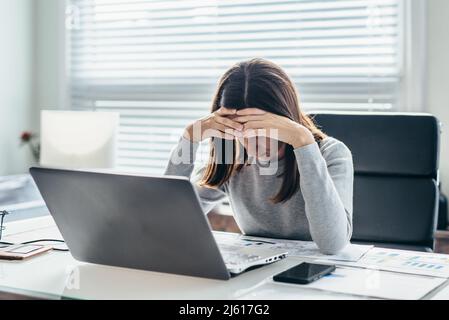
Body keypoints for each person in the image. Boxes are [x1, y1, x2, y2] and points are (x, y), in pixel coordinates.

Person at [165, 58, 354, 254]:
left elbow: (332, 244)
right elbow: (168, 222)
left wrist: (302, 140)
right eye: (241, 130)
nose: (253, 144)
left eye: (262, 129)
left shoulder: (332, 153)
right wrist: (189, 138)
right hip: (257, 275)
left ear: (285, 120)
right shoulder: (233, 157)